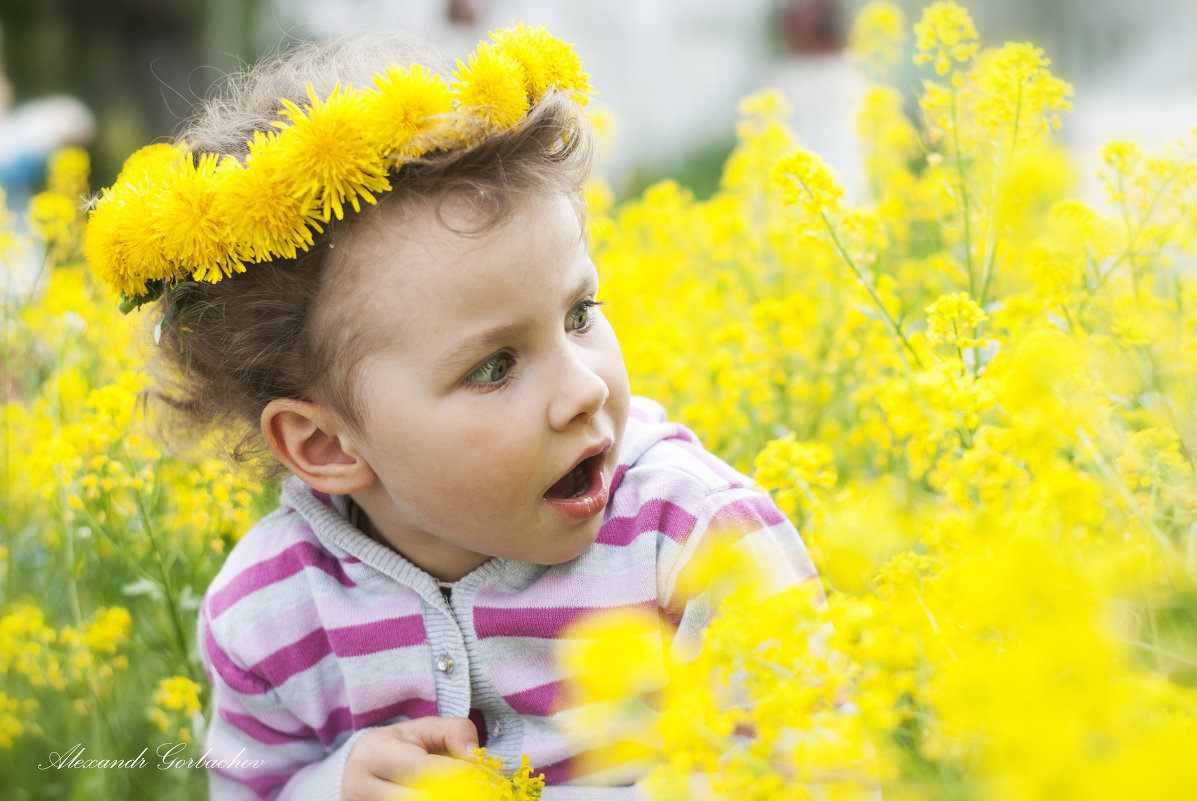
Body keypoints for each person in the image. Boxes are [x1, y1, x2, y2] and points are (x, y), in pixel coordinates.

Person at [85, 26, 820, 800]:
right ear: (325, 444)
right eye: (494, 367)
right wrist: (334, 786)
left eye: (579, 314)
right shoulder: (268, 613)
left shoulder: (699, 540)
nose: (585, 390)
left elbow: (818, 775)